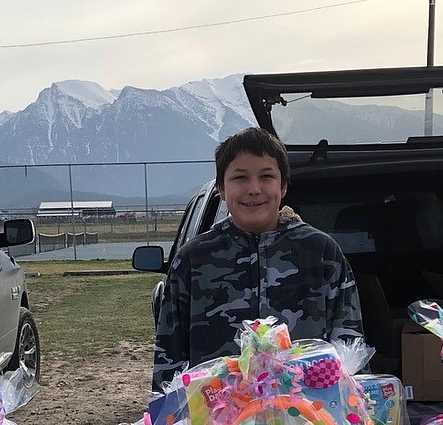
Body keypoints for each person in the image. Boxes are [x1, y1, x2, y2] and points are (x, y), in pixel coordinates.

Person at [152, 127, 363, 391]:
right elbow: (169, 360)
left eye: (266, 176)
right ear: (222, 189)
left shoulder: (321, 253)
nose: (254, 189)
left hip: (309, 421)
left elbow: (349, 347)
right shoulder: (193, 260)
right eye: (240, 178)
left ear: (283, 186)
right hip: (215, 423)